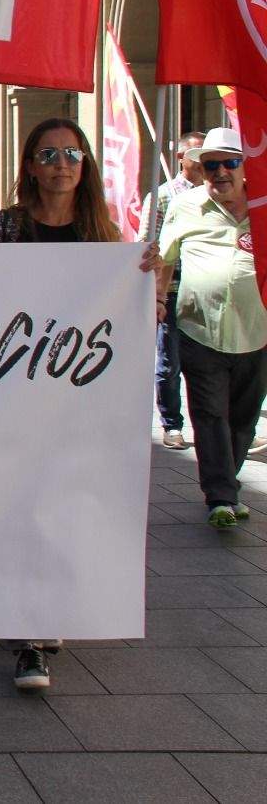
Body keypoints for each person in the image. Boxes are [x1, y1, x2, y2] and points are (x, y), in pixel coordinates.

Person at [0, 117, 129, 695]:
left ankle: (42, 618)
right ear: (29, 165)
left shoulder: (105, 235)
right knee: (17, 507)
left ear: (86, 164)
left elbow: (123, 311)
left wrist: (147, 281)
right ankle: (26, 624)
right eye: (48, 154)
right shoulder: (3, 229)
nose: (60, 165)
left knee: (58, 506)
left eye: (71, 154)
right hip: (9, 398)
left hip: (75, 402)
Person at [158, 127, 267, 535]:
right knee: (209, 415)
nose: (220, 172)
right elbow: (164, 258)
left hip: (257, 331)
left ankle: (228, 484)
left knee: (243, 420)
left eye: (229, 163)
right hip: (199, 329)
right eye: (210, 165)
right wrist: (156, 299)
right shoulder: (185, 207)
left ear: (244, 167)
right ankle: (220, 497)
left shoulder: (263, 206)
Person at [146, 132, 208, 448]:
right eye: (197, 154)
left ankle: (216, 423)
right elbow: (147, 243)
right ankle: (172, 424)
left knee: (207, 362)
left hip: (204, 292)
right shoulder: (164, 196)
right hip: (172, 289)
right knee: (169, 361)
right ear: (181, 158)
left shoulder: (216, 196)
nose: (204, 161)